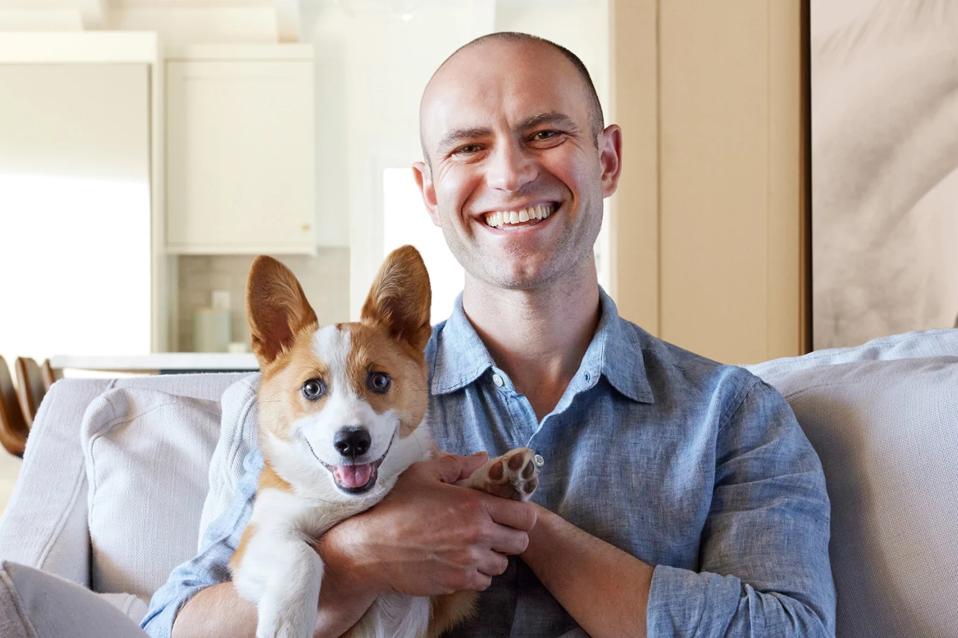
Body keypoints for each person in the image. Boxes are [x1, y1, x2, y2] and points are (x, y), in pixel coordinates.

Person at [143, 32, 835, 637]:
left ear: (609, 159)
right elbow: (174, 624)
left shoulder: (736, 415)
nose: (510, 173)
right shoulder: (299, 420)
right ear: (430, 192)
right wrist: (359, 558)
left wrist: (515, 529)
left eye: (545, 133)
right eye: (469, 147)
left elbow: (793, 630)